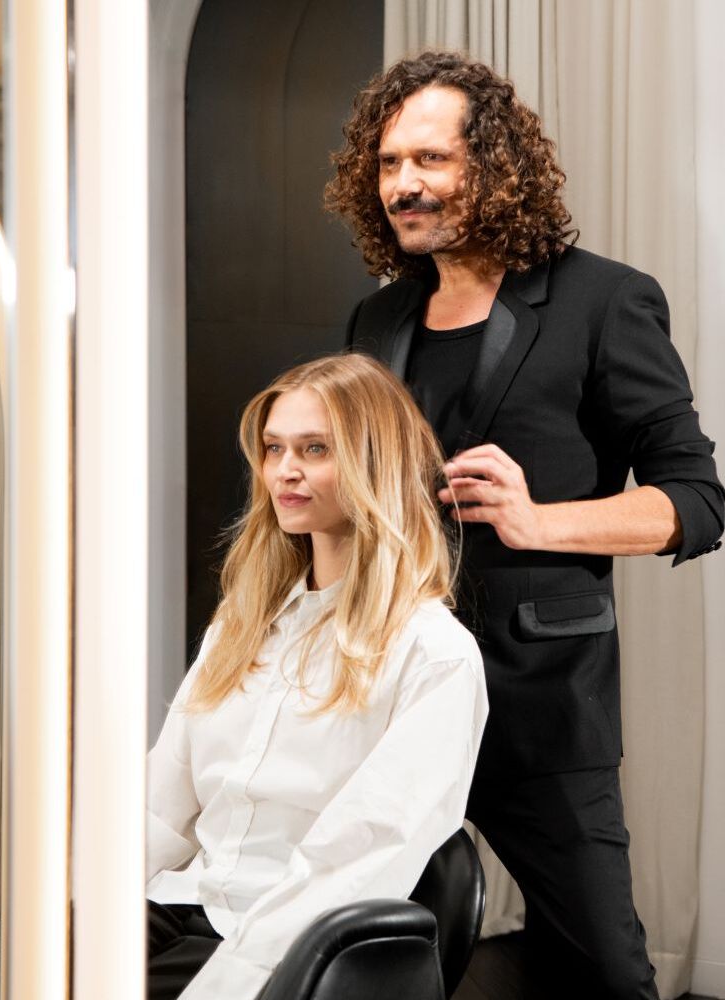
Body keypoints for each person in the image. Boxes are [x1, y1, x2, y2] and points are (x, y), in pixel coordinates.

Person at [326, 51, 725, 999]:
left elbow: (695, 501)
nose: (404, 184)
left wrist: (536, 520)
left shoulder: (603, 301)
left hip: (541, 704)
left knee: (605, 975)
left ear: (495, 166)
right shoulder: (376, 320)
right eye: (388, 164)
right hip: (389, 700)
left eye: (430, 159)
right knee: (363, 963)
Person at [145, 353, 488, 1000]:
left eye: (315, 449)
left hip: (294, 944)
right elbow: (161, 805)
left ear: (374, 464)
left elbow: (357, 858)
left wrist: (228, 984)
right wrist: (70, 910)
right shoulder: (242, 624)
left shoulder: (435, 655)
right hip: (187, 907)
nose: (285, 470)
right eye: (274, 448)